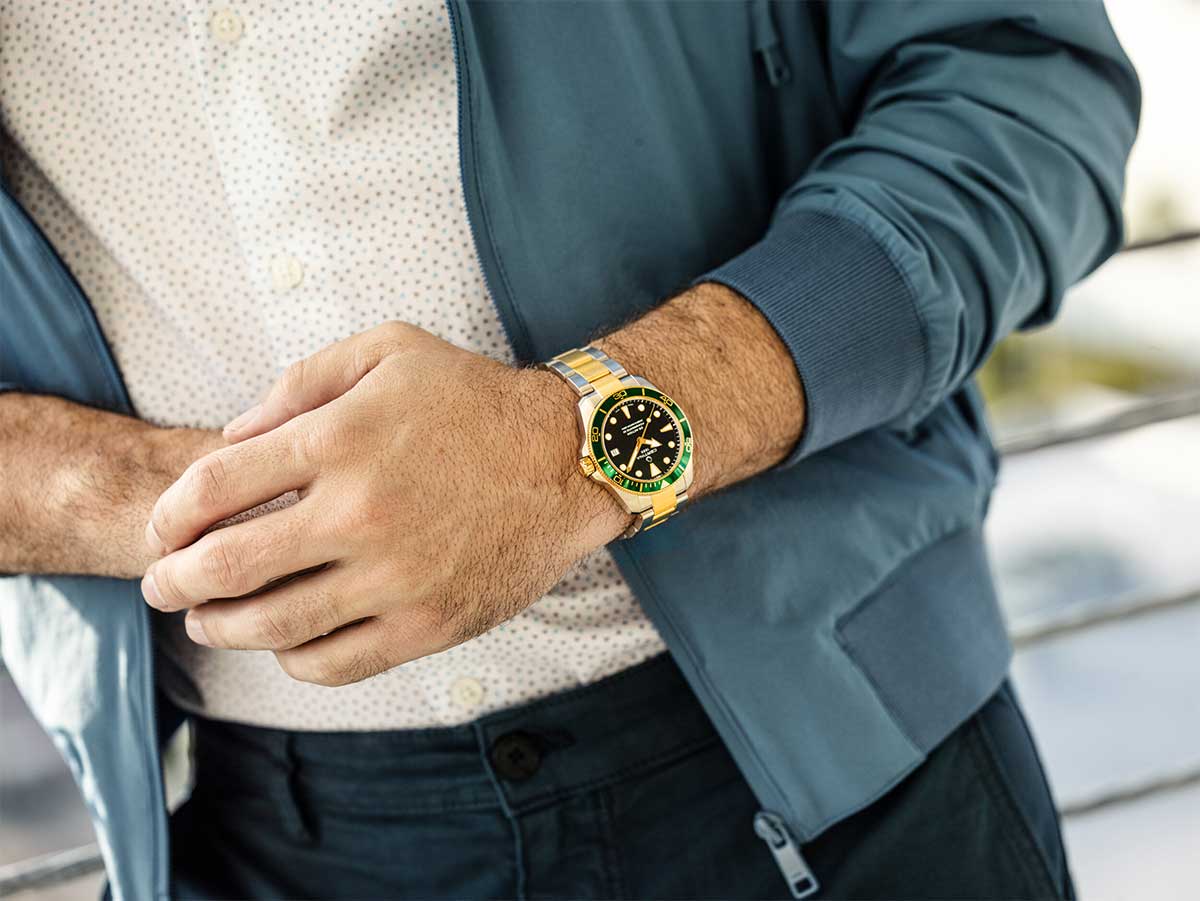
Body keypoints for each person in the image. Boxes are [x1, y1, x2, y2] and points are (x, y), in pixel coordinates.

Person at [0, 2, 1138, 899]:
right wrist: (177, 501)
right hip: (254, 824)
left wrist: (565, 450)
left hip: (845, 763)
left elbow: (1019, 86)